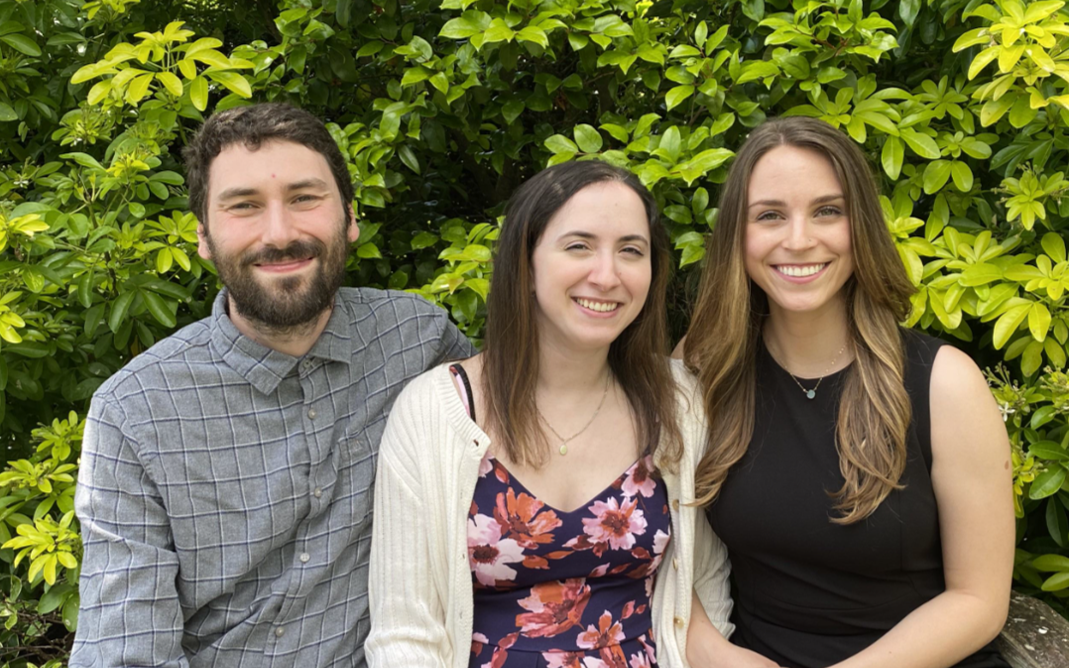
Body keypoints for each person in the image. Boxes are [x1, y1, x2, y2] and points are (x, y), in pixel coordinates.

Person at [71, 103, 475, 667]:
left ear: (350, 217)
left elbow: (532, 435)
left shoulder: (417, 338)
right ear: (204, 237)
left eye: (305, 198)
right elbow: (128, 650)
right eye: (244, 207)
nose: (280, 233)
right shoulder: (135, 412)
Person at [365, 160, 740, 667]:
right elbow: (404, 634)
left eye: (631, 251)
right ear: (526, 262)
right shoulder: (436, 411)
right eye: (578, 246)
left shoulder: (680, 403)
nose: (606, 275)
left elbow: (705, 584)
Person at [677, 116, 1014, 668]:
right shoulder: (704, 369)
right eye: (770, 216)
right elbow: (652, 544)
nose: (799, 239)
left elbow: (978, 600)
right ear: (738, 235)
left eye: (827, 211)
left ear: (861, 226)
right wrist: (712, 652)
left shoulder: (944, 383)